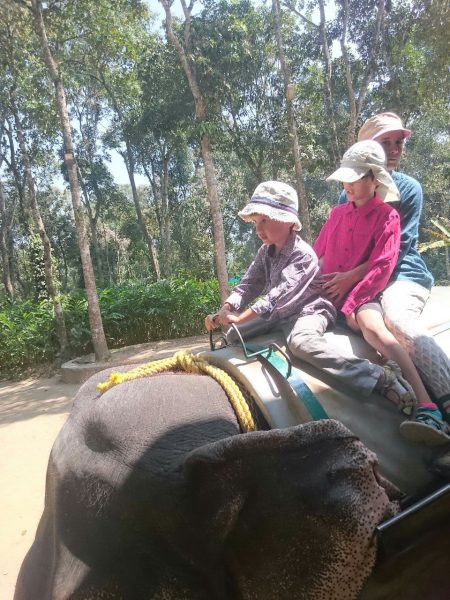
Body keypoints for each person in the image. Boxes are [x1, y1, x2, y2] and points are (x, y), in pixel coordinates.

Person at [205, 180, 417, 421]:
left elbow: (279, 294)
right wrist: (227, 308)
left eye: (264, 220)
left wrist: (242, 316)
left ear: (287, 221)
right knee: (233, 335)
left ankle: (378, 377)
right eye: (256, 222)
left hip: (308, 309)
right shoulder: (266, 250)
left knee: (301, 343)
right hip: (279, 313)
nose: (258, 229)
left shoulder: (303, 255)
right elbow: (249, 283)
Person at [311, 139, 449, 444]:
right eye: (345, 176)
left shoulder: (389, 217)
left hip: (361, 294)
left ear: (375, 179)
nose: (348, 183)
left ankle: (427, 403)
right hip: (328, 292)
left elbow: (382, 265)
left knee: (375, 328)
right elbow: (315, 257)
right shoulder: (336, 215)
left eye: (357, 176)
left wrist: (352, 302)